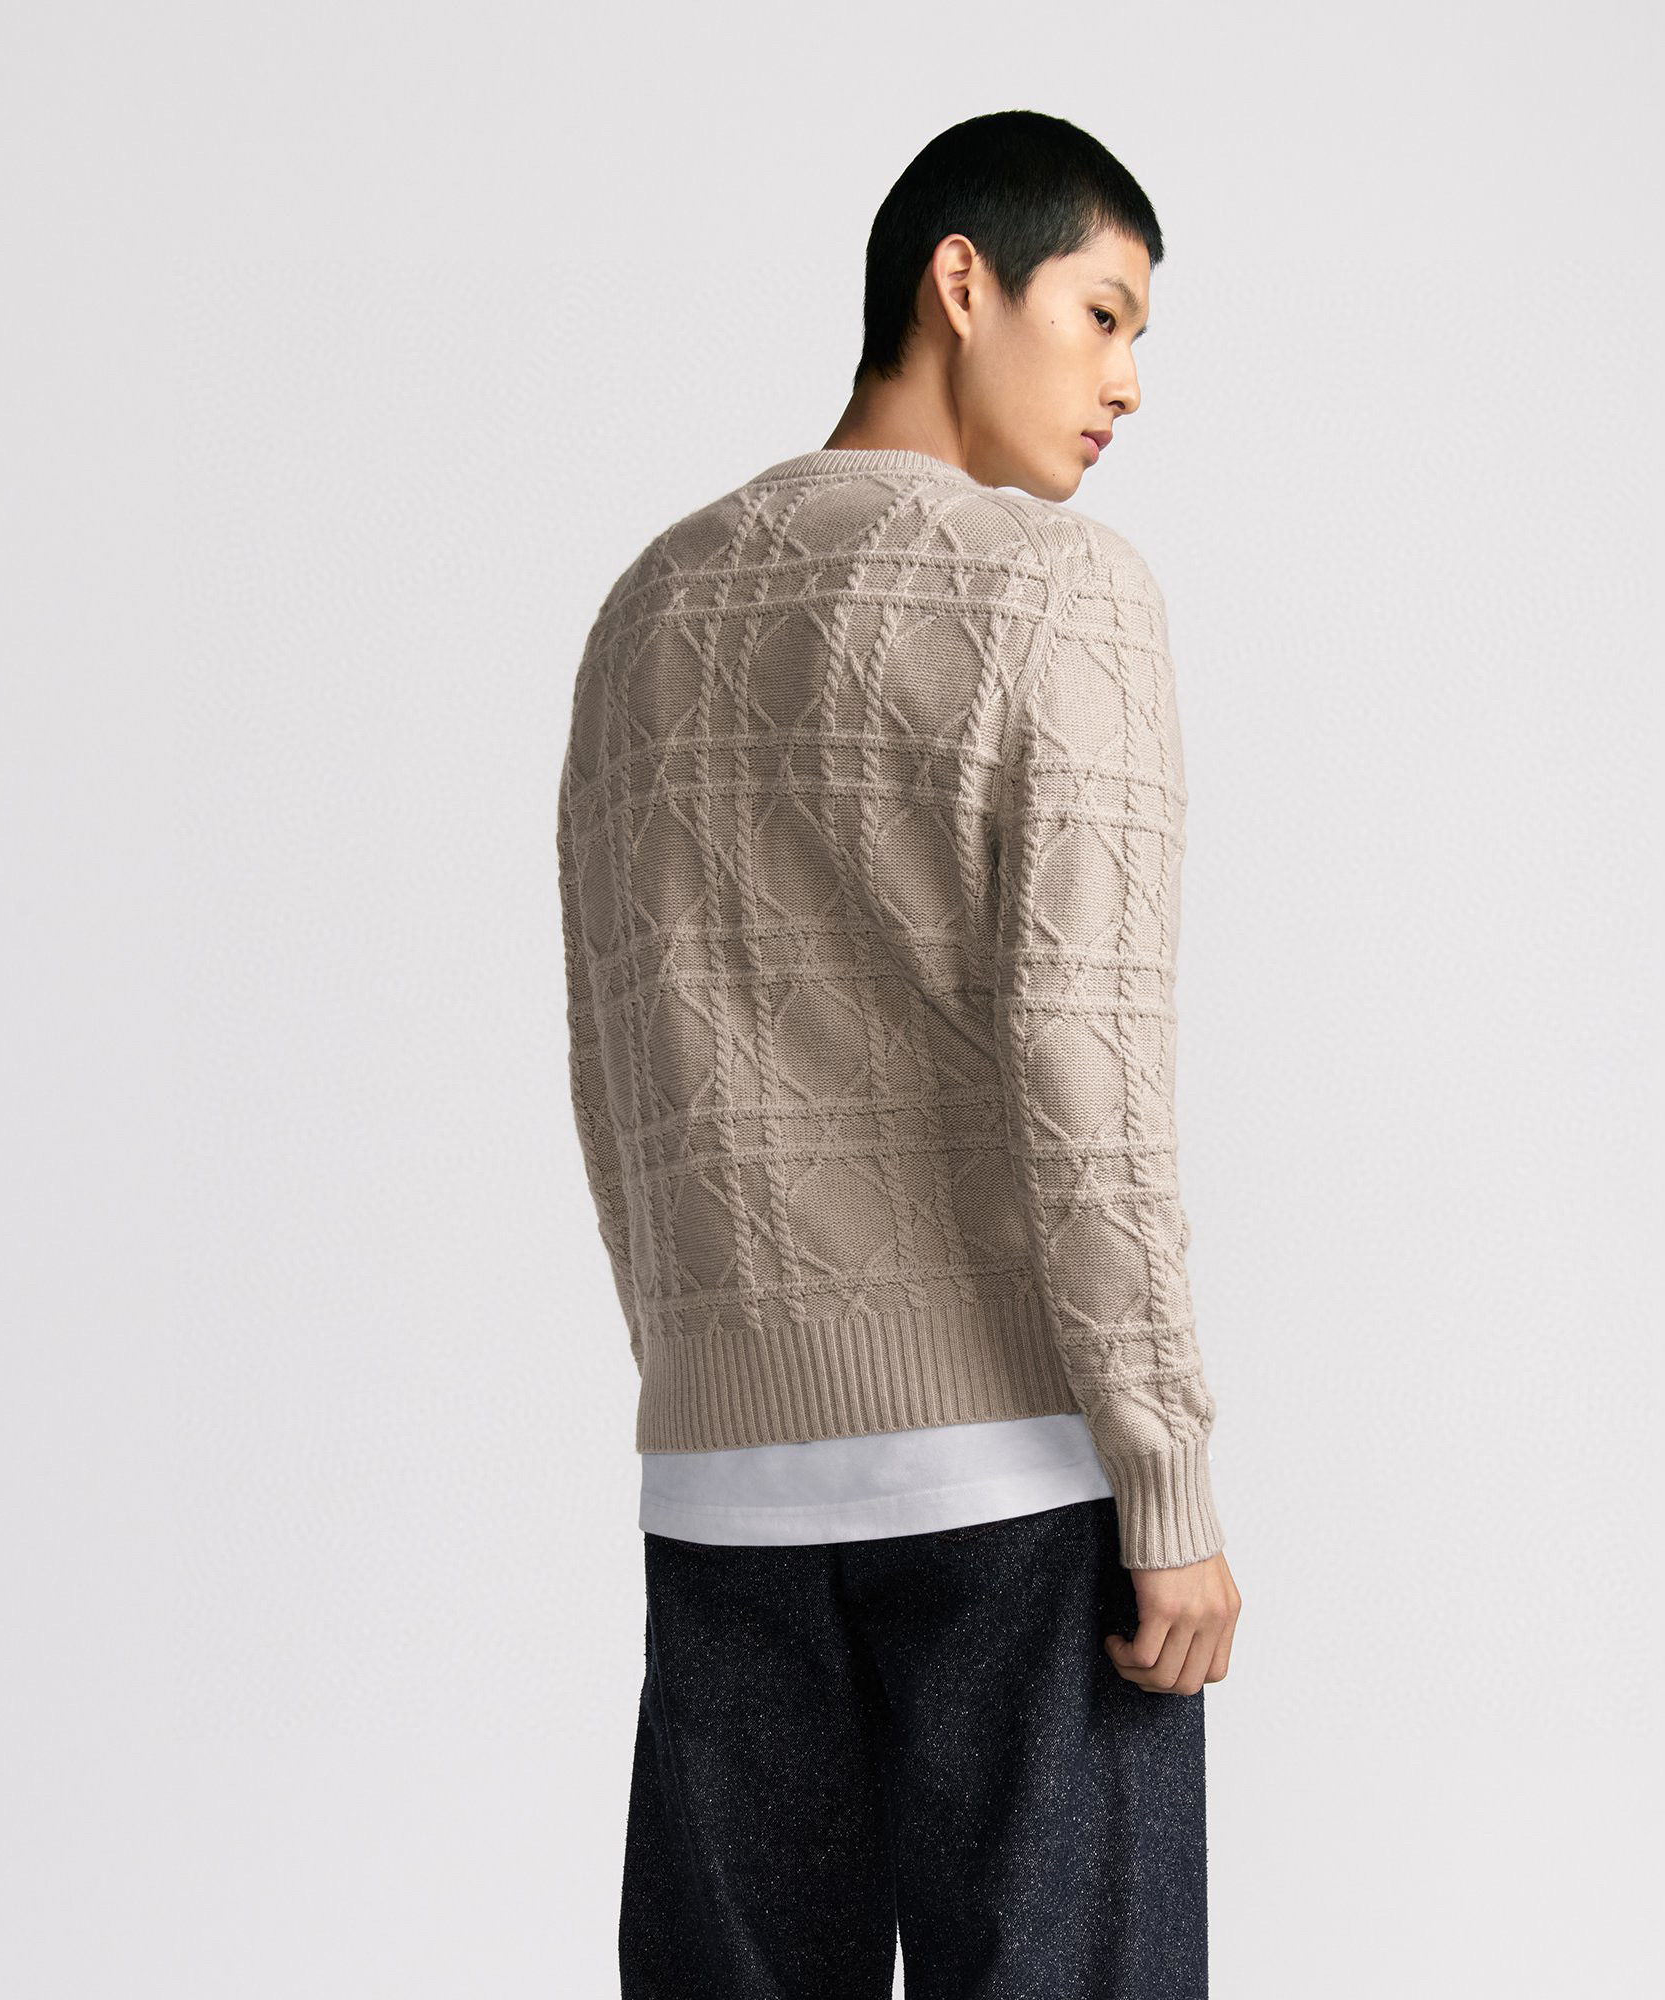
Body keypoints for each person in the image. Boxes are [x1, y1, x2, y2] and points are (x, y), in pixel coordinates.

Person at [556, 107, 1243, 1999]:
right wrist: (1166, 1484)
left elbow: (616, 1053)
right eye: (1101, 315)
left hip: (721, 1493)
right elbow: (1090, 1072)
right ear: (961, 280)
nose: (1126, 383)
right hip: (1014, 1489)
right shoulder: (1059, 588)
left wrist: (710, 1387)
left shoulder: (645, 608)